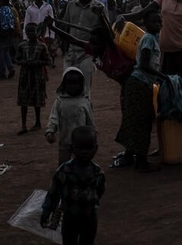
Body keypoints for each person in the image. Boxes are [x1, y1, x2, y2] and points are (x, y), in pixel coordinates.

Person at [44, 17, 135, 167]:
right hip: (126, 85)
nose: (92, 45)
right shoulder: (95, 50)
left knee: (132, 118)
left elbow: (108, 33)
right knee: (128, 118)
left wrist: (101, 15)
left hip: (135, 83)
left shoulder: (112, 49)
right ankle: (130, 152)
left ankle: (133, 154)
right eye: (91, 42)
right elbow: (72, 39)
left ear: (104, 42)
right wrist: (52, 28)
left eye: (95, 42)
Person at [116, 10, 165, 173]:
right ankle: (141, 161)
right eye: (153, 22)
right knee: (142, 122)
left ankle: (132, 156)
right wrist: (163, 77)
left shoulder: (155, 38)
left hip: (141, 83)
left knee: (137, 120)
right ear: (145, 23)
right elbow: (144, 64)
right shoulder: (149, 39)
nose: (157, 24)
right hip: (139, 83)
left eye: (159, 22)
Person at [41, 126, 106, 245]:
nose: (85, 152)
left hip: (89, 217)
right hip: (70, 217)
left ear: (96, 148)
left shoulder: (98, 172)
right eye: (80, 148)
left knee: (87, 241)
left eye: (89, 148)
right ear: (72, 148)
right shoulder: (64, 171)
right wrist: (47, 211)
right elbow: (53, 192)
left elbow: (99, 191)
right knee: (69, 241)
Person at [61, 0, 106, 97]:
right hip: (71, 54)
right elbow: (65, 27)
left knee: (85, 93)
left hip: (87, 55)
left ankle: (86, 115)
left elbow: (106, 33)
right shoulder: (70, 5)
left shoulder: (99, 8)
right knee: (66, 91)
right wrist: (64, 49)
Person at [45, 68, 96, 165]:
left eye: (76, 84)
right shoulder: (60, 101)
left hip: (82, 141)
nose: (73, 87)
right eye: (70, 84)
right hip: (65, 139)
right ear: (64, 85)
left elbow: (90, 120)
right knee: (64, 162)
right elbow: (54, 117)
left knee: (82, 163)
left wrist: (93, 133)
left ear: (82, 85)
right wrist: (50, 131)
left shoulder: (85, 101)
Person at [16, 23, 52, 135]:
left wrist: (38, 63)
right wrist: (24, 62)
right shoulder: (22, 46)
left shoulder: (42, 46)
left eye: (33, 31)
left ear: (37, 32)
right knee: (23, 100)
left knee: (37, 100)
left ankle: (37, 122)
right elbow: (17, 59)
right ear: (26, 33)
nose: (31, 34)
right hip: (25, 75)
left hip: (37, 75)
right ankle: (24, 125)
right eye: (29, 32)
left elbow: (48, 61)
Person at [25, 0, 57, 66]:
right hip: (34, 36)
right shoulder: (29, 9)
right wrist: (25, 37)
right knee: (36, 55)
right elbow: (26, 23)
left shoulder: (48, 7)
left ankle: (50, 64)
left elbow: (52, 22)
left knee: (47, 53)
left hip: (46, 35)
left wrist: (52, 35)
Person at [0, 0, 18, 80]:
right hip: (9, 33)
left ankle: (2, 74)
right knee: (6, 52)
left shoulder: (0, 11)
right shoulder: (10, 10)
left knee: (0, 55)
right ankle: (11, 68)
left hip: (2, 34)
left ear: (1, 2)